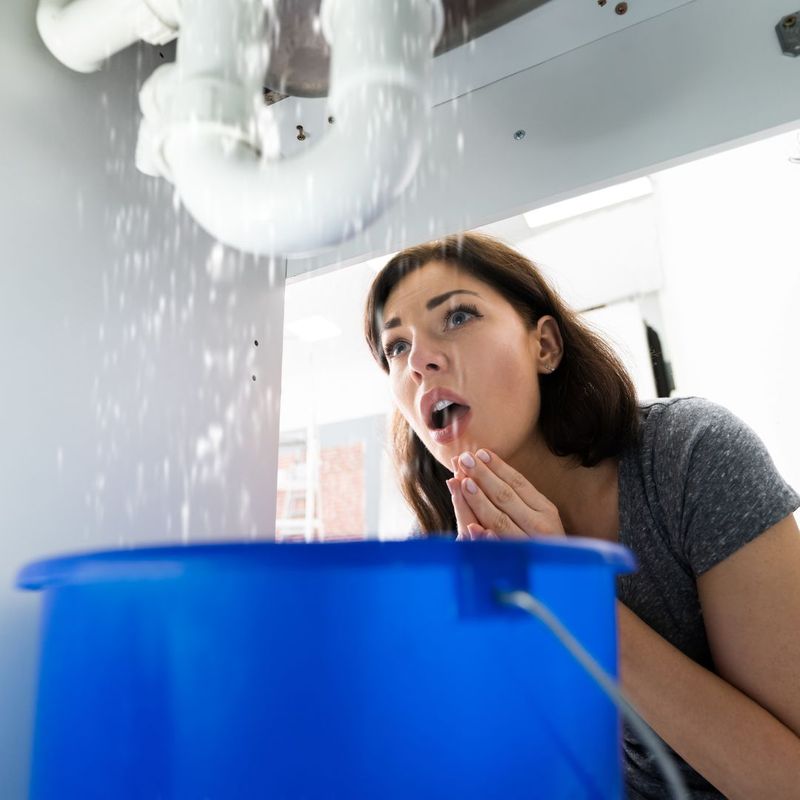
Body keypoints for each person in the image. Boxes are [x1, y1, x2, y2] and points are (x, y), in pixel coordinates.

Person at [363, 232, 800, 799]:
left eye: (458, 315)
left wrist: (574, 598)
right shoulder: (441, 553)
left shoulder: (689, 458)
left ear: (544, 345)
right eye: (396, 347)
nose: (419, 360)